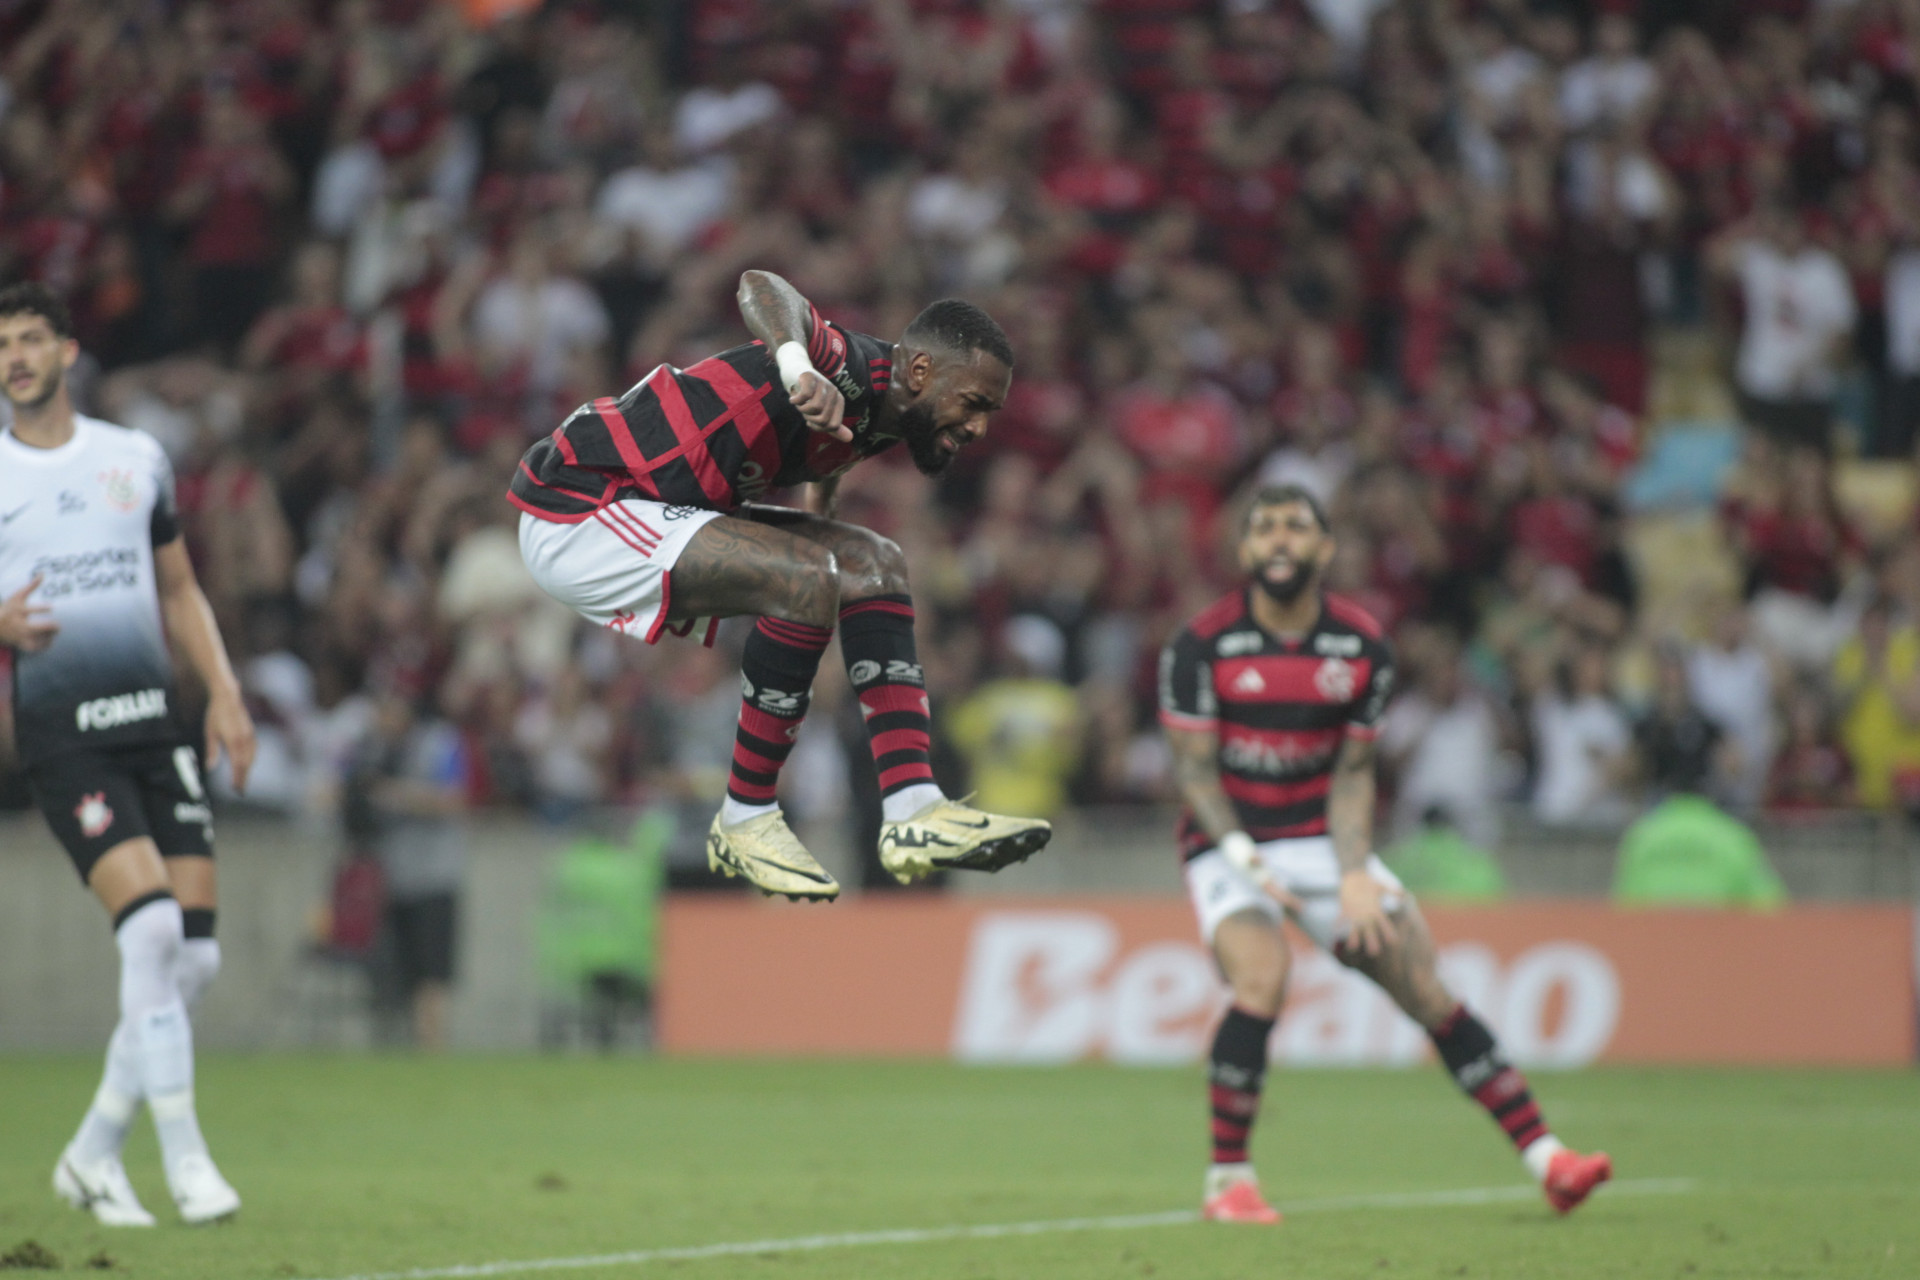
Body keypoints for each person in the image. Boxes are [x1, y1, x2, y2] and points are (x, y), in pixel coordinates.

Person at [510, 269, 1051, 900]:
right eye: (975, 403)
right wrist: (798, 368)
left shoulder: (889, 415)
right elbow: (762, 287)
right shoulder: (847, 365)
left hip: (668, 509)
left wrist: (819, 590)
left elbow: (825, 472)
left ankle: (912, 808)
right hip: (582, 507)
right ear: (923, 372)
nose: (980, 428)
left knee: (875, 563)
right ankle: (746, 817)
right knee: (808, 577)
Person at [1158, 483, 1611, 1225]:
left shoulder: (1361, 646)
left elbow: (1353, 774)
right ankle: (1228, 1182)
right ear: (1243, 550)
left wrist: (1356, 876)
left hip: (1317, 841)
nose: (1279, 540)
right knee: (1262, 978)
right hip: (1226, 843)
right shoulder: (1200, 645)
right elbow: (1196, 773)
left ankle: (1550, 1160)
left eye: (1295, 527)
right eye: (1263, 528)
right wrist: (1244, 855)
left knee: (1426, 990)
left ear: (1325, 548)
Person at [0, 283, 255, 1226]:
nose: (15, 357)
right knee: (149, 934)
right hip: (65, 737)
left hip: (156, 725)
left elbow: (179, 589)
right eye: (1, 345)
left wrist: (224, 693)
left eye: (31, 339)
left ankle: (91, 1153)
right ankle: (186, 1161)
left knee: (192, 962)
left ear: (67, 353)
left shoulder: (134, 458)